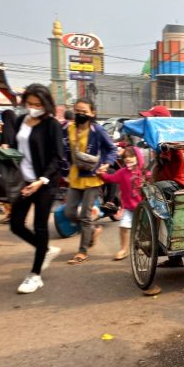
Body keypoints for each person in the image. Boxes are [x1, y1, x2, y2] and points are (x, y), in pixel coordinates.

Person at [4, 84, 65, 294]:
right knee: (15, 225)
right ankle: (44, 248)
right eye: (30, 103)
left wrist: (42, 180)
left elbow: (58, 157)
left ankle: (35, 275)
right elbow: (16, 147)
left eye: (38, 104)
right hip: (22, 181)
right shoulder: (21, 121)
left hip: (44, 184)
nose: (33, 108)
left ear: (46, 104)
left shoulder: (52, 125)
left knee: (40, 226)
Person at [62, 98, 117, 264]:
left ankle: (82, 251)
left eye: (84, 112)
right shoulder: (68, 129)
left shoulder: (97, 130)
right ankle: (92, 230)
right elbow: (63, 149)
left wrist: (107, 164)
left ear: (92, 113)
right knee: (69, 212)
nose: (80, 114)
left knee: (85, 215)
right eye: (77, 111)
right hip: (75, 176)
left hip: (93, 178)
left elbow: (112, 149)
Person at [98, 146, 146, 261]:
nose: (128, 159)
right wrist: (101, 174)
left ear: (137, 157)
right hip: (129, 208)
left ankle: (144, 247)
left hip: (143, 208)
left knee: (143, 230)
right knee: (123, 226)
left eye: (131, 156)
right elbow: (110, 178)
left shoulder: (143, 172)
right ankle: (124, 249)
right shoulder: (122, 172)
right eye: (125, 157)